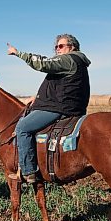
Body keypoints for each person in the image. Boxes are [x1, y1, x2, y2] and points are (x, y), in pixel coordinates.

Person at [7, 34, 91, 183]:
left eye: (61, 46)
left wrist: (18, 53)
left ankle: (28, 171)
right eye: (56, 47)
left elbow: (42, 63)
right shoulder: (78, 62)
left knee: (22, 127)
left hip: (60, 108)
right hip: (69, 106)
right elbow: (62, 87)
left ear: (72, 47)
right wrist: (37, 97)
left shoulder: (68, 59)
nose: (57, 49)